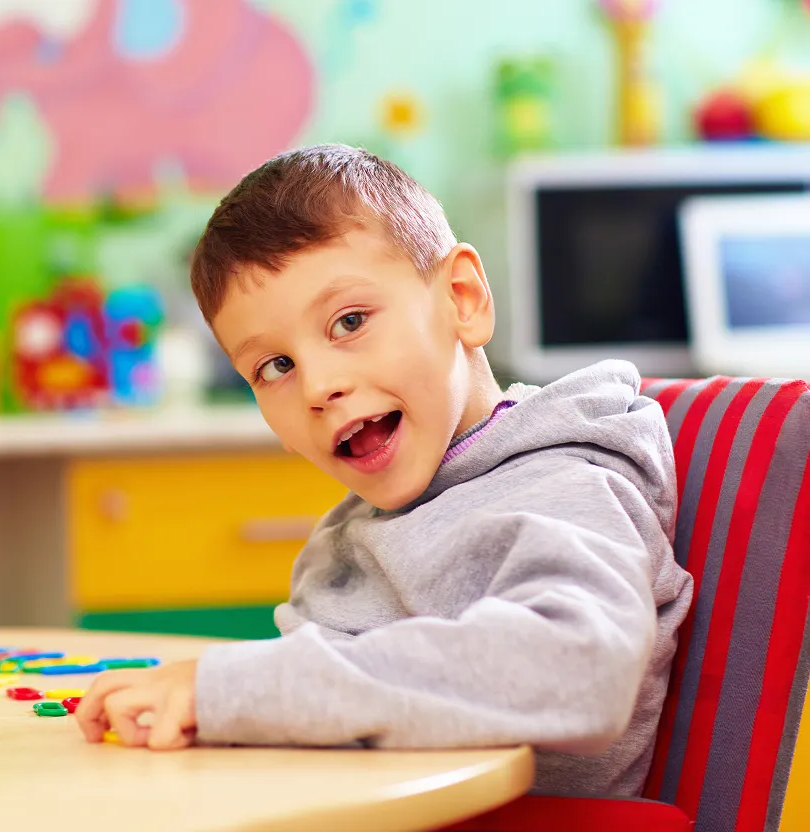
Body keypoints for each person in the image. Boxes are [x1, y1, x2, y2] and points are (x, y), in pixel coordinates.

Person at [74, 144, 693, 798]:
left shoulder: (560, 481)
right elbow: (318, 714)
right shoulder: (346, 540)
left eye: (348, 321)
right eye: (274, 367)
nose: (317, 385)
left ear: (462, 299)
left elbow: (579, 668)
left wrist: (233, 687)